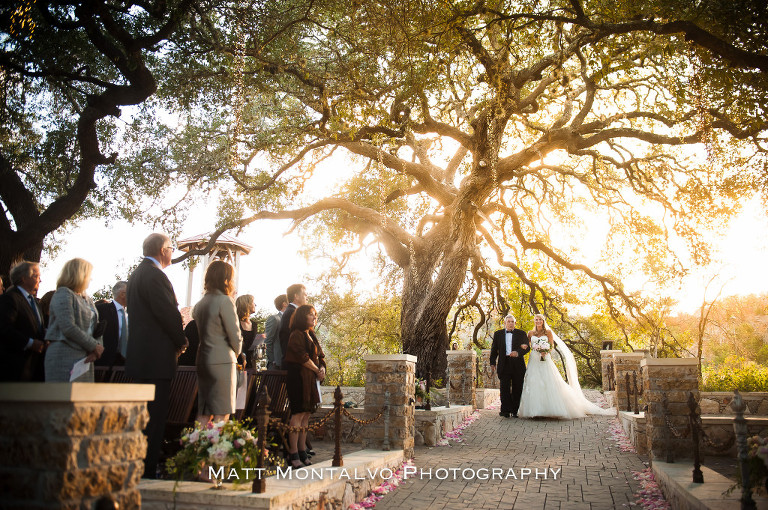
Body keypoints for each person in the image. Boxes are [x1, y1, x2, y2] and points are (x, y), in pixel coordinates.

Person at [126, 233, 187, 479]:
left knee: (143, 418)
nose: (172, 252)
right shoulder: (155, 275)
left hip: (141, 357)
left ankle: (140, 466)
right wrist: (181, 340)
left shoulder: (137, 274)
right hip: (156, 359)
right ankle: (148, 470)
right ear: (163, 250)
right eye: (171, 248)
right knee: (153, 419)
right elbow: (167, 314)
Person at [518, 314, 614, 419]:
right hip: (534, 359)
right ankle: (535, 410)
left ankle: (550, 409)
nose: (538, 321)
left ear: (543, 321)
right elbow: (527, 345)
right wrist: (524, 345)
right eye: (536, 320)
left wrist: (546, 351)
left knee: (548, 381)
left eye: (540, 319)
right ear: (534, 321)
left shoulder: (548, 332)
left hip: (545, 359)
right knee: (534, 382)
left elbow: (551, 346)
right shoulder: (530, 333)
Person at [193, 260, 243, 424]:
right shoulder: (225, 301)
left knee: (204, 411)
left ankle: (198, 446)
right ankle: (218, 449)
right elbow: (235, 336)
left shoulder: (200, 304)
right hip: (222, 361)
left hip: (203, 360)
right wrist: (238, 353)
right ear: (226, 279)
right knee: (222, 412)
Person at [44, 258, 104, 382]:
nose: (91, 279)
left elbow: (96, 327)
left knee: (84, 399)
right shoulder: (63, 294)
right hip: (64, 355)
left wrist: (98, 348)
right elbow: (68, 326)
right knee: (63, 397)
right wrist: (93, 345)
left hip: (86, 358)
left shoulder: (88, 299)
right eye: (89, 275)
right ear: (79, 275)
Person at [283, 304, 325, 468]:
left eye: (315, 315)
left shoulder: (312, 335)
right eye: (310, 315)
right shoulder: (296, 335)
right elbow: (301, 356)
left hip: (310, 380)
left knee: (306, 415)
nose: (314, 317)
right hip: (298, 379)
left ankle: (302, 450)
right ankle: (292, 452)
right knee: (297, 415)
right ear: (302, 316)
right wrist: (316, 370)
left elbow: (320, 355)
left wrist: (321, 368)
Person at [0, 261, 47, 381]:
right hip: (15, 367)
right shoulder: (10, 298)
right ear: (23, 278)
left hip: (35, 367)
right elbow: (5, 329)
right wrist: (30, 343)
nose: (40, 280)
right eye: (36, 276)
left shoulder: (35, 303)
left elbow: (37, 328)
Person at [489, 314, 530, 418]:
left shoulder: (521, 333)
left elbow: (527, 347)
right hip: (504, 363)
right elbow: (494, 349)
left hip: (517, 364)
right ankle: (505, 410)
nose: (511, 323)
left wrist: (518, 352)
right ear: (505, 323)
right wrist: (492, 362)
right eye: (509, 322)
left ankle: (516, 410)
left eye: (512, 322)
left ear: (515, 323)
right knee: (504, 388)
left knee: (518, 387)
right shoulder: (498, 334)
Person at [95, 281, 128, 371]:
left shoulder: (128, 315)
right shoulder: (101, 310)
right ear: (122, 294)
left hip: (124, 364)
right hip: (104, 363)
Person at [279, 284, 306, 365]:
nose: (306, 297)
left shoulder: (292, 311)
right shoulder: (292, 313)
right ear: (296, 296)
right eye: (304, 294)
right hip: (295, 365)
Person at [265, 294, 287, 369]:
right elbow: (268, 341)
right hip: (276, 365)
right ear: (284, 304)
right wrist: (273, 360)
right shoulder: (275, 319)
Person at [235, 294, 256, 364]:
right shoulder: (235, 322)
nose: (255, 305)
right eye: (253, 302)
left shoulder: (254, 324)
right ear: (247, 304)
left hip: (250, 362)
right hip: (237, 361)